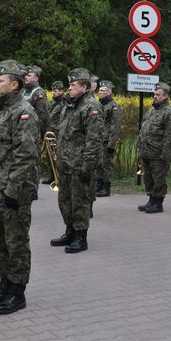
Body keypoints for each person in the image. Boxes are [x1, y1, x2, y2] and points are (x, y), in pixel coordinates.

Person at [0, 59, 39, 314]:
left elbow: (25, 156)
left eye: (0, 81)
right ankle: (4, 285)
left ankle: (18, 292)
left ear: (14, 84)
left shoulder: (24, 113)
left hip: (13, 193)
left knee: (16, 244)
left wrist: (12, 191)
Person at [50, 67, 103, 253]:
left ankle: (81, 237)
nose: (69, 88)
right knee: (65, 201)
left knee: (80, 202)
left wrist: (87, 167)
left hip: (80, 166)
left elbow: (94, 140)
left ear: (85, 87)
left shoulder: (91, 107)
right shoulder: (69, 104)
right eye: (69, 84)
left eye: (73, 85)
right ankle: (70, 231)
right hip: (66, 164)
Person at [137, 82, 171, 214]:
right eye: (154, 94)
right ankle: (151, 200)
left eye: (158, 94)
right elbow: (143, 129)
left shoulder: (169, 112)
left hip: (158, 153)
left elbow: (170, 136)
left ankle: (158, 203)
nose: (154, 96)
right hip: (146, 151)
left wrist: (165, 155)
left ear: (165, 96)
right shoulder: (152, 110)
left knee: (158, 179)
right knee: (148, 178)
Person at [95, 80, 121, 197]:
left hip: (106, 141)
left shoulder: (113, 106)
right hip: (97, 140)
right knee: (98, 164)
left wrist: (111, 144)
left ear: (109, 92)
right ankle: (99, 185)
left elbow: (115, 127)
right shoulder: (99, 104)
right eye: (99, 90)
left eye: (103, 90)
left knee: (106, 165)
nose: (100, 92)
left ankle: (106, 187)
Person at [41, 80, 65, 185]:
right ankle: (52, 176)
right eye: (53, 91)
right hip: (50, 132)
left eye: (55, 91)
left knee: (58, 156)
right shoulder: (52, 102)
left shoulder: (64, 103)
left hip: (58, 132)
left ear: (61, 91)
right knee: (49, 155)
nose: (53, 93)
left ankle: (60, 177)